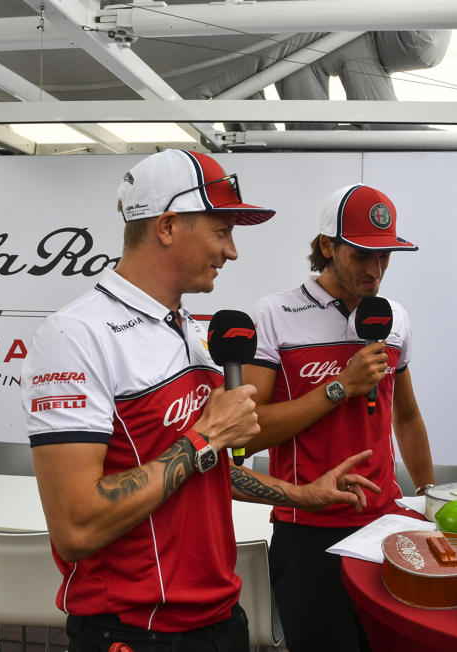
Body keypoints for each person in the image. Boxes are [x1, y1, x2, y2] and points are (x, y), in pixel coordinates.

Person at [21, 149, 380, 652]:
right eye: (221, 231)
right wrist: (207, 434)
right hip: (135, 630)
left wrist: (301, 494)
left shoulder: (186, 328)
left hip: (217, 616)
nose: (231, 252)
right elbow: (76, 525)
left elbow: (199, 468)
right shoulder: (76, 333)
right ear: (168, 226)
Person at [242, 184, 435, 652]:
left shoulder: (395, 318)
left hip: (385, 522)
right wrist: (340, 387)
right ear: (327, 246)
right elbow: (249, 431)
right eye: (362, 255)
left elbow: (406, 417)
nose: (375, 270)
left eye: (385, 257)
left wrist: (430, 499)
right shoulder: (275, 314)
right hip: (306, 526)